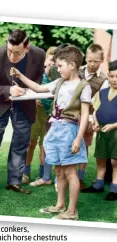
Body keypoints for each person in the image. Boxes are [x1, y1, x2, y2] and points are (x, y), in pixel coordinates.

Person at [11, 45, 91, 220]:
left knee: (70, 172)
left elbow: (85, 114)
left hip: (70, 131)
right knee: (59, 171)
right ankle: (60, 205)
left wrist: (78, 138)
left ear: (72, 64)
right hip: (55, 130)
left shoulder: (83, 86)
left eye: (60, 65)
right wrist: (20, 76)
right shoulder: (59, 82)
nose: (57, 69)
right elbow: (39, 89)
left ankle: (72, 211)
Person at [0, 29, 45, 196]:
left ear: (27, 48)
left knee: (21, 144)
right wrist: (9, 90)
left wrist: (28, 90)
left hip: (24, 105)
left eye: (17, 53)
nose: (11, 56)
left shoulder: (39, 54)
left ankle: (14, 182)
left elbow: (38, 77)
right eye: (9, 51)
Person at [81, 60, 117, 201]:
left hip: (115, 132)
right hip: (102, 131)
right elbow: (95, 110)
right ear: (108, 76)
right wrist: (95, 122)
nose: (114, 80)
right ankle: (98, 185)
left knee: (115, 161)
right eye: (112, 76)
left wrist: (114, 125)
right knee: (100, 158)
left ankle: (115, 188)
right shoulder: (102, 93)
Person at [22, 46, 56, 184]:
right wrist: (35, 99)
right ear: (46, 60)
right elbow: (29, 88)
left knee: (45, 145)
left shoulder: (57, 77)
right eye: (51, 60)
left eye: (55, 61)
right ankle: (26, 171)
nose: (52, 64)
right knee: (31, 142)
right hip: (37, 113)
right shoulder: (39, 74)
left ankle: (43, 173)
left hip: (50, 115)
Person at [78, 44, 107, 190]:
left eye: (96, 61)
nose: (92, 64)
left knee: (84, 147)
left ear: (101, 60)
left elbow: (98, 103)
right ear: (86, 58)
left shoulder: (103, 79)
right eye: (89, 60)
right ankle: (65, 176)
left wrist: (91, 119)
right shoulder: (77, 71)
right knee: (68, 145)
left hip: (88, 117)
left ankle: (80, 178)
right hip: (72, 115)